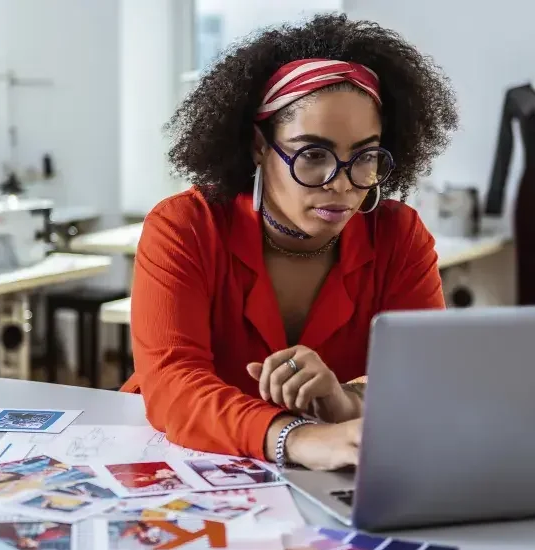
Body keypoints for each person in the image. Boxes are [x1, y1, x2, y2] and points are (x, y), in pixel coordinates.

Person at [121, 14, 457, 470]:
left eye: (365, 156)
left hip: (325, 481)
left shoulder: (399, 236)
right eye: (313, 155)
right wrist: (297, 437)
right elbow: (174, 384)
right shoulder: (185, 227)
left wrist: (346, 401)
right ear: (259, 144)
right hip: (183, 464)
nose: (340, 183)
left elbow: (424, 376)